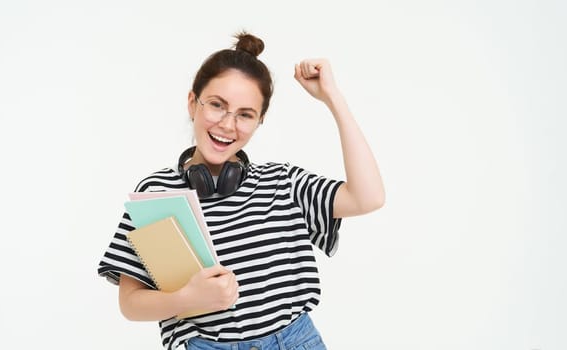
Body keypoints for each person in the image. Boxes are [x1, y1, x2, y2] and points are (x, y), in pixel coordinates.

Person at [97, 31, 384, 350]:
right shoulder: (157, 193)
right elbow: (130, 302)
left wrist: (333, 98)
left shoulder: (282, 182)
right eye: (217, 105)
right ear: (193, 103)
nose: (228, 125)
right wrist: (186, 298)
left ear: (260, 121)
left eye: (245, 114)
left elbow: (367, 197)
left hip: (296, 341)